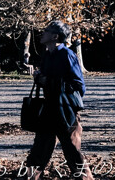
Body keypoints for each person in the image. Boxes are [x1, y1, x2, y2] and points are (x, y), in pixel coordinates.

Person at [22, 20, 93, 180]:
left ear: (55, 36)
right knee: (39, 149)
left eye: (46, 31)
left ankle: (85, 178)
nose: (42, 33)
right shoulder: (47, 54)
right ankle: (31, 177)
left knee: (73, 152)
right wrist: (40, 78)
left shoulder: (67, 55)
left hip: (65, 110)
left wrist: (51, 82)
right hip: (48, 109)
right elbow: (48, 79)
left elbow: (79, 86)